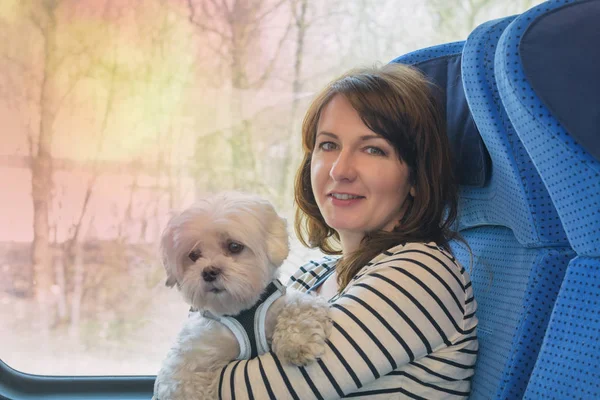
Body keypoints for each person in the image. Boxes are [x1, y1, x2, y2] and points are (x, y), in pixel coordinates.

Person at [218, 63, 478, 399]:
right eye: (328, 145)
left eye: (373, 149)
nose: (340, 170)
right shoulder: (312, 276)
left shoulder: (420, 273)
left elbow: (239, 392)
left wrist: (190, 369)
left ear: (415, 177)